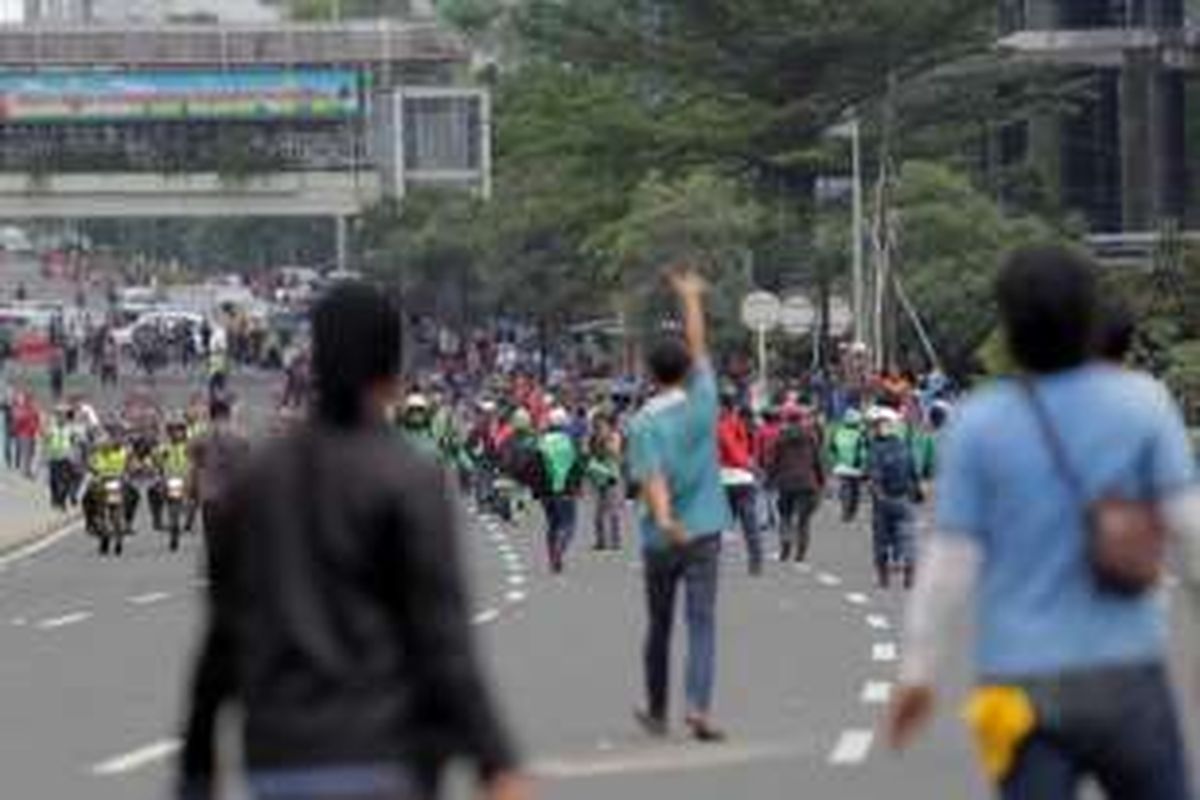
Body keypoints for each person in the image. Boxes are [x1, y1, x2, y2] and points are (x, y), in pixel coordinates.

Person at [177, 283, 528, 800]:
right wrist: (494, 760)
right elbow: (441, 635)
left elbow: (223, 638)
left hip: (281, 756)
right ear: (394, 369)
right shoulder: (410, 476)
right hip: (387, 755)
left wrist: (197, 771)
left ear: (313, 361)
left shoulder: (259, 479)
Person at [888, 246, 1200, 799]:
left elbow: (949, 565)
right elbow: (1191, 532)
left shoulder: (980, 424)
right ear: (1088, 316)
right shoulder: (1142, 404)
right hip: (1126, 672)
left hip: (1018, 683)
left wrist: (918, 672)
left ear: (1008, 327)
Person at [627, 268, 731, 743]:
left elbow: (651, 477)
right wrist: (690, 296)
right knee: (703, 622)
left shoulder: (643, 422)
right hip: (706, 529)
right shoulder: (704, 400)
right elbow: (700, 345)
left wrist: (666, 518)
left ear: (649, 373)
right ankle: (698, 707)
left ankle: (656, 708)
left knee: (660, 625)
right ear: (688, 369)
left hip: (660, 538)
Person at [866, 407, 922, 590]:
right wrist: (917, 494)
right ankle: (910, 575)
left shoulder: (876, 449)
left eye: (875, 425)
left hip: (883, 501)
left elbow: (874, 477)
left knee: (881, 541)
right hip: (904, 499)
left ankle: (883, 579)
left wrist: (878, 495)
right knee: (907, 539)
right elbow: (914, 474)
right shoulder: (904, 446)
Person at [766, 405, 824, 563]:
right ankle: (801, 552)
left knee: (785, 516)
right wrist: (821, 481)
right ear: (801, 420)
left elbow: (773, 462)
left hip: (786, 482)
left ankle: (785, 547)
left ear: (787, 420)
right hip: (807, 481)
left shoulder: (780, 437)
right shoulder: (811, 437)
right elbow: (817, 461)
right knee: (803, 520)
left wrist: (770, 479)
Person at [717, 393, 763, 575]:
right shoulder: (742, 424)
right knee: (749, 524)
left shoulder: (723, 425)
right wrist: (752, 465)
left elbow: (731, 449)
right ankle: (755, 562)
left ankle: (711, 563)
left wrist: (748, 464)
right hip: (744, 479)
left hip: (729, 479)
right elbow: (750, 448)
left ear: (725, 407)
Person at [537, 407, 582, 573]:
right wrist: (579, 485)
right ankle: (558, 552)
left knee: (552, 524)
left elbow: (536, 464)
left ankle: (552, 558)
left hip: (546, 490)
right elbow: (578, 464)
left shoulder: (542, 440)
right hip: (566, 488)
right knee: (568, 525)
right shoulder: (570, 441)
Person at [586, 414, 624, 551]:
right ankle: (601, 541)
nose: (598, 428)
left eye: (600, 425)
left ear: (608, 425)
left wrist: (605, 441)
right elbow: (588, 454)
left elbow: (615, 453)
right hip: (598, 477)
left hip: (612, 476)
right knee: (598, 512)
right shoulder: (593, 438)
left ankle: (616, 541)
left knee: (613, 511)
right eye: (596, 425)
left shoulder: (614, 436)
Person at [148, 419, 193, 532]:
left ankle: (190, 519)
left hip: (187, 479)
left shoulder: (190, 446)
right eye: (173, 430)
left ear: (184, 432)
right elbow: (154, 459)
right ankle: (157, 520)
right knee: (152, 490)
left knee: (199, 494)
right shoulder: (164, 446)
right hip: (168, 479)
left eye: (179, 430)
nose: (176, 433)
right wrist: (154, 466)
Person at [828, 408, 869, 522]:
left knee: (845, 488)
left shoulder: (838, 431)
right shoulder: (861, 433)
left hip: (840, 466)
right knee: (855, 490)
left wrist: (833, 462)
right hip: (855, 468)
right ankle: (851, 512)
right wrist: (865, 465)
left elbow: (832, 448)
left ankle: (845, 510)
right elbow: (864, 451)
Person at [42, 404, 76, 511]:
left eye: (63, 415)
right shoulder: (51, 427)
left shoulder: (71, 428)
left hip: (66, 457)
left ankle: (62, 500)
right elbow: (46, 440)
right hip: (54, 457)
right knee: (54, 481)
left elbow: (75, 441)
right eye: (59, 415)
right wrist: (44, 455)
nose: (61, 417)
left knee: (67, 481)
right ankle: (54, 498)